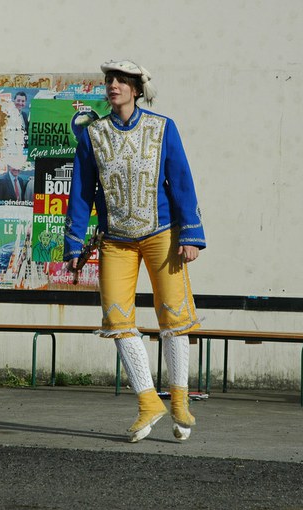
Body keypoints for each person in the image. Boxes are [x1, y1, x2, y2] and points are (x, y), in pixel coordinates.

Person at [64, 60, 206, 442]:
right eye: (109, 80)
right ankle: (147, 401)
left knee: (175, 316)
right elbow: (82, 192)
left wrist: (191, 235)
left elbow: (181, 181)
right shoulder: (92, 134)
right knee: (117, 318)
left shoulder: (163, 127)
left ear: (137, 89)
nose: (113, 85)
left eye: (121, 81)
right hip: (115, 239)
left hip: (163, 233)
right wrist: (74, 242)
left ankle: (179, 400)